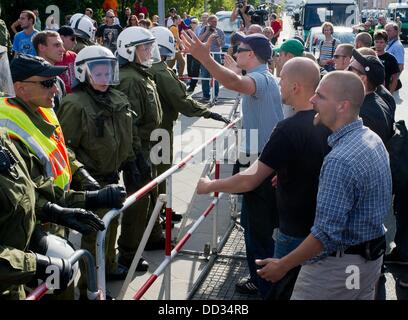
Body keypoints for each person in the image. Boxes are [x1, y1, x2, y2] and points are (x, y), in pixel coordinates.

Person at [197, 57, 331, 300]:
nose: (279, 82)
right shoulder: (327, 121)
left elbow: (249, 179)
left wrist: (209, 186)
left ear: (295, 87)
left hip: (294, 232)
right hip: (320, 229)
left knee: (280, 290)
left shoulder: (287, 128)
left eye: (283, 79)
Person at [256, 71, 392, 300]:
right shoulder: (370, 138)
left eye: (320, 95)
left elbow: (325, 235)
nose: (312, 100)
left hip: (338, 269)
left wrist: (282, 265)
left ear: (342, 106)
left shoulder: (340, 160)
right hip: (367, 263)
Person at [181, 30, 283, 297]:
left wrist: (205, 58)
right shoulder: (261, 77)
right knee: (253, 227)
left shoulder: (260, 79)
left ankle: (266, 287)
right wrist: (231, 70)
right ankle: (262, 279)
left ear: (251, 54)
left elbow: (237, 84)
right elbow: (236, 81)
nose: (235, 52)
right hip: (258, 158)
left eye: (240, 50)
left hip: (257, 161)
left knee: (257, 233)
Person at [58, 46, 138, 291]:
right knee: (94, 234)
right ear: (84, 72)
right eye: (98, 73)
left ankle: (110, 265)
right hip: (92, 181)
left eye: (108, 72)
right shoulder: (75, 104)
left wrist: (133, 159)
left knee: (113, 222)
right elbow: (65, 147)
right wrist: (83, 177)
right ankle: (89, 288)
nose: (104, 79)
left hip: (114, 175)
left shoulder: (117, 98)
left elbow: (126, 133)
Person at [148, 27, 230, 245]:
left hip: (155, 129)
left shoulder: (147, 68)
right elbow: (182, 101)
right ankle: (156, 222)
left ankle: (162, 213)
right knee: (159, 176)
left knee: (158, 176)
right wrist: (208, 112)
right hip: (160, 131)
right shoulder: (160, 70)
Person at [115, 26, 163, 270]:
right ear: (128, 50)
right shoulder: (130, 79)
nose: (148, 52)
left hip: (148, 145)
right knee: (138, 202)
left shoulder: (139, 74)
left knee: (149, 196)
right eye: (144, 48)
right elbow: (129, 122)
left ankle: (147, 240)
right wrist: (134, 158)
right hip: (139, 149)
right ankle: (128, 253)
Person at [348, 49, 394, 145]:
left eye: (350, 69)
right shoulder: (379, 100)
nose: (346, 72)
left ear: (362, 78)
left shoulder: (363, 114)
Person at [198, 15, 225, 102]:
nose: (215, 23)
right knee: (205, 75)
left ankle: (215, 95)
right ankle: (206, 95)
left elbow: (221, 45)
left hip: (216, 54)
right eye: (213, 22)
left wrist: (216, 36)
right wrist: (206, 32)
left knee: (216, 74)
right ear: (209, 22)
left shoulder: (220, 31)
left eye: (216, 22)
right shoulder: (204, 29)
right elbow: (199, 40)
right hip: (205, 54)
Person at [56, 26, 78, 93]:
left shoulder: (74, 56)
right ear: (62, 38)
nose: (75, 42)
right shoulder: (52, 58)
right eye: (73, 39)